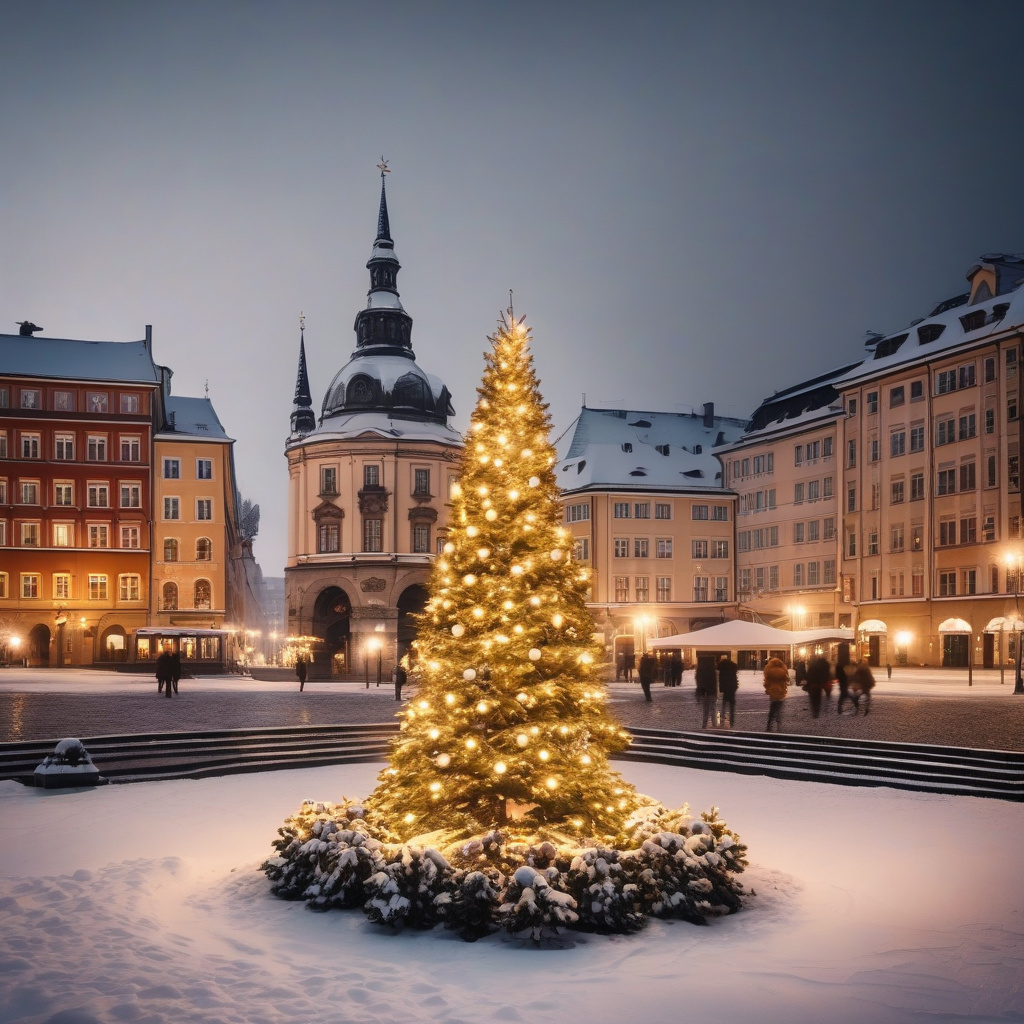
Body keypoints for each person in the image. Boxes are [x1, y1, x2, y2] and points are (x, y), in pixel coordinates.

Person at [762, 656, 789, 731]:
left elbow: (766, 681)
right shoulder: (783, 670)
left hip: (773, 691)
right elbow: (786, 679)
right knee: (779, 709)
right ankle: (779, 725)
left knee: (772, 709)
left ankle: (769, 725)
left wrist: (767, 689)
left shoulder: (770, 671)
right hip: (781, 692)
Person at [805, 653, 831, 719]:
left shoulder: (812, 665)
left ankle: (814, 710)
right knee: (818, 697)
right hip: (818, 684)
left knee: (813, 698)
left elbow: (808, 674)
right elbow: (826, 674)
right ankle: (816, 710)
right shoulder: (824, 665)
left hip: (812, 684)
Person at [694, 656, 718, 728]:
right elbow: (715, 681)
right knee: (712, 709)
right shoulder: (712, 669)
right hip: (711, 691)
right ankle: (714, 724)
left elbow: (698, 680)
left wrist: (699, 691)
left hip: (703, 691)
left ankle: (704, 725)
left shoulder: (700, 669)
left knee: (705, 709)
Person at [717, 655, 739, 728]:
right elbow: (735, 677)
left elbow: (719, 678)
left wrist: (720, 688)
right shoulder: (733, 666)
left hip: (724, 687)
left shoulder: (720, 666)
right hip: (732, 687)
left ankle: (722, 719)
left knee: (724, 703)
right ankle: (732, 720)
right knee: (732, 705)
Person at [835, 642, 855, 714]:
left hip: (842, 681)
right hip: (844, 681)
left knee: (844, 695)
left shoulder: (839, 665)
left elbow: (838, 674)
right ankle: (855, 703)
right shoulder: (843, 665)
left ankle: (839, 708)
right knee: (845, 694)